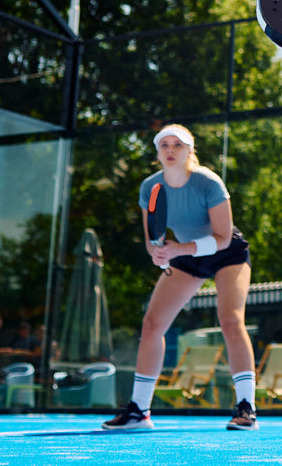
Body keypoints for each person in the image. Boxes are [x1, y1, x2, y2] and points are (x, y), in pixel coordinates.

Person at [101, 124, 258, 431]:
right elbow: (152, 239)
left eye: (178, 145)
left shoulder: (208, 182)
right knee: (152, 324)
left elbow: (223, 238)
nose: (170, 150)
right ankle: (139, 412)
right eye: (164, 146)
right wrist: (157, 253)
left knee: (230, 320)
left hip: (227, 253)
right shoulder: (150, 187)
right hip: (184, 254)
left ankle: (246, 408)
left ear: (190, 151)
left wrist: (177, 249)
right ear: (158, 153)